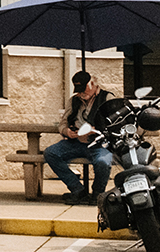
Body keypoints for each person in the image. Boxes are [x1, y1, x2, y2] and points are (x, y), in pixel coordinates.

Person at [45, 70, 119, 205]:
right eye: (77, 90)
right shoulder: (73, 100)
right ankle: (77, 190)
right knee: (51, 153)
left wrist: (96, 131)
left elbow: (115, 125)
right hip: (76, 142)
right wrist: (67, 131)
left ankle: (97, 194)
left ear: (92, 84)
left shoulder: (107, 98)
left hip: (98, 143)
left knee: (103, 161)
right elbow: (63, 123)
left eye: (82, 89)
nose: (80, 93)